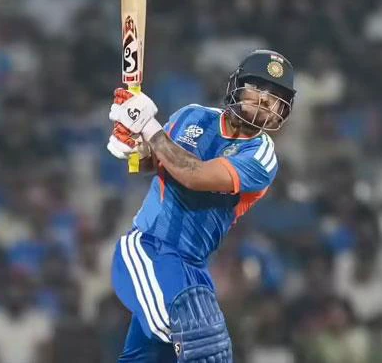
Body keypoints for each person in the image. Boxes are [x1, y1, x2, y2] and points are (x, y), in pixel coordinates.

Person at [106, 50, 296, 362]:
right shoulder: (192, 116)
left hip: (193, 269)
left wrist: (147, 124)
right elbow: (153, 160)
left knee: (207, 353)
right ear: (237, 86)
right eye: (258, 87)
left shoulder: (261, 156)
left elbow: (194, 175)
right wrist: (132, 143)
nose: (264, 99)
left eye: (275, 97)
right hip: (149, 250)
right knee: (197, 336)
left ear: (281, 113)